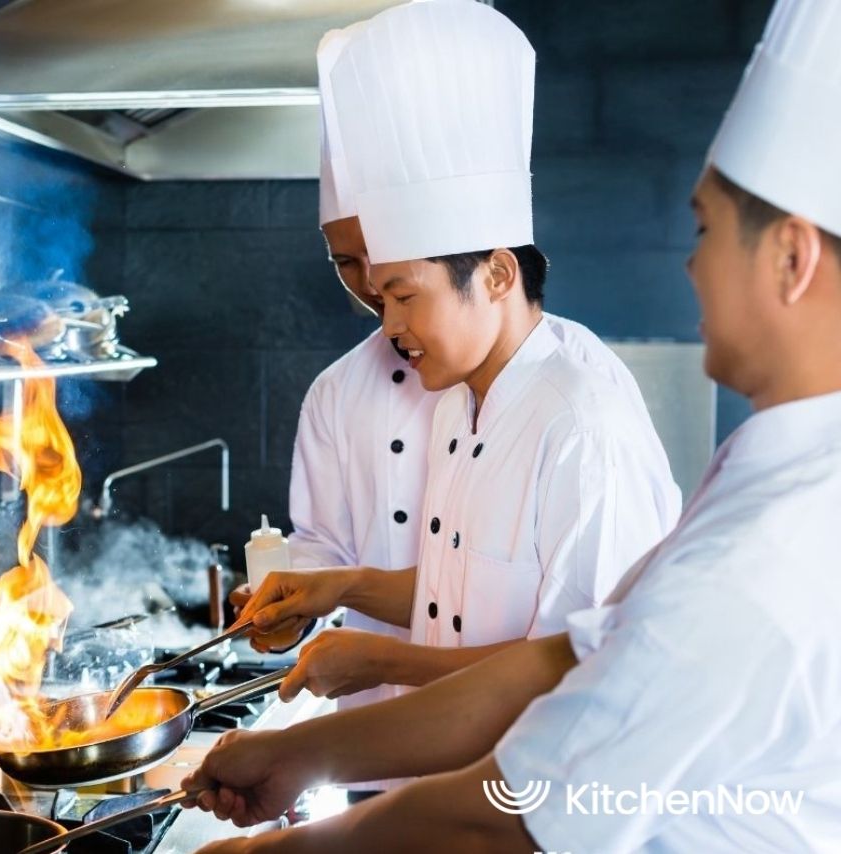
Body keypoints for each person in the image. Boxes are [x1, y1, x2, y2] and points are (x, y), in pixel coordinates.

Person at [186, 0, 841, 849]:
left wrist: (274, 848)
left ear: (791, 259)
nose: (690, 264)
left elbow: (517, 813)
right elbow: (559, 663)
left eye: (707, 229)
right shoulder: (765, 481)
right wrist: (305, 754)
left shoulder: (771, 540)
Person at [249, 0, 679, 706]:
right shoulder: (459, 403)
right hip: (452, 763)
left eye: (403, 295)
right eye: (373, 291)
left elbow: (598, 663)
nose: (386, 324)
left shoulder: (581, 423)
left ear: (498, 275)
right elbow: (464, 593)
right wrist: (342, 586)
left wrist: (386, 662)